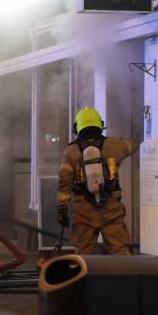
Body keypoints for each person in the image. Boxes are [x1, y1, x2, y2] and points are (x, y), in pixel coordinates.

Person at [57, 107, 140, 255]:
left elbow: (64, 183)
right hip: (111, 209)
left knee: (83, 253)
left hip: (83, 210)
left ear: (77, 127)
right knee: (119, 250)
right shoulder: (115, 145)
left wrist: (62, 208)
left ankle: (85, 278)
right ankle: (126, 277)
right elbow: (133, 145)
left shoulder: (70, 151)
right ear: (100, 125)